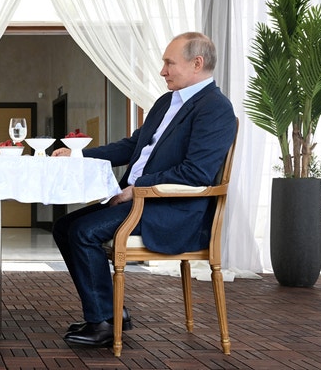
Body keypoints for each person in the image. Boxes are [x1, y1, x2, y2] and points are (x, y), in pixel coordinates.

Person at [51, 32, 236, 347]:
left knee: (83, 232)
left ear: (197, 63)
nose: (163, 71)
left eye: (169, 63)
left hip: (169, 208)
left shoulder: (215, 108)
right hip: (141, 200)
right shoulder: (166, 102)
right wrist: (78, 155)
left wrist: (137, 189)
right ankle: (111, 313)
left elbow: (196, 173)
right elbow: (132, 146)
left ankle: (103, 323)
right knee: (64, 226)